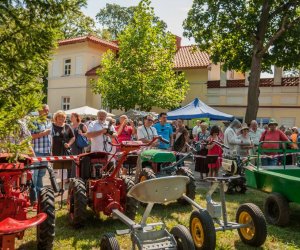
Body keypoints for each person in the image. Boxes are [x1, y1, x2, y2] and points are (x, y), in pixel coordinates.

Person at [30, 104, 52, 208]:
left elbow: (50, 138)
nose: (46, 112)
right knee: (34, 176)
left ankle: (40, 199)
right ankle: (34, 200)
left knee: (41, 175)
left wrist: (50, 150)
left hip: (46, 152)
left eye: (47, 110)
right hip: (36, 152)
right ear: (39, 111)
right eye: (45, 110)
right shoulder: (34, 121)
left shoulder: (48, 121)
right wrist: (43, 133)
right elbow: (30, 137)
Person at [51, 110, 75, 178]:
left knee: (64, 170)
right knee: (55, 169)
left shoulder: (67, 126)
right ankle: (54, 186)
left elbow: (73, 137)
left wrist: (69, 144)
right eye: (59, 117)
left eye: (63, 117)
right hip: (54, 149)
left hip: (64, 150)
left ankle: (63, 186)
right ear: (56, 118)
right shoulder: (51, 125)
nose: (61, 118)